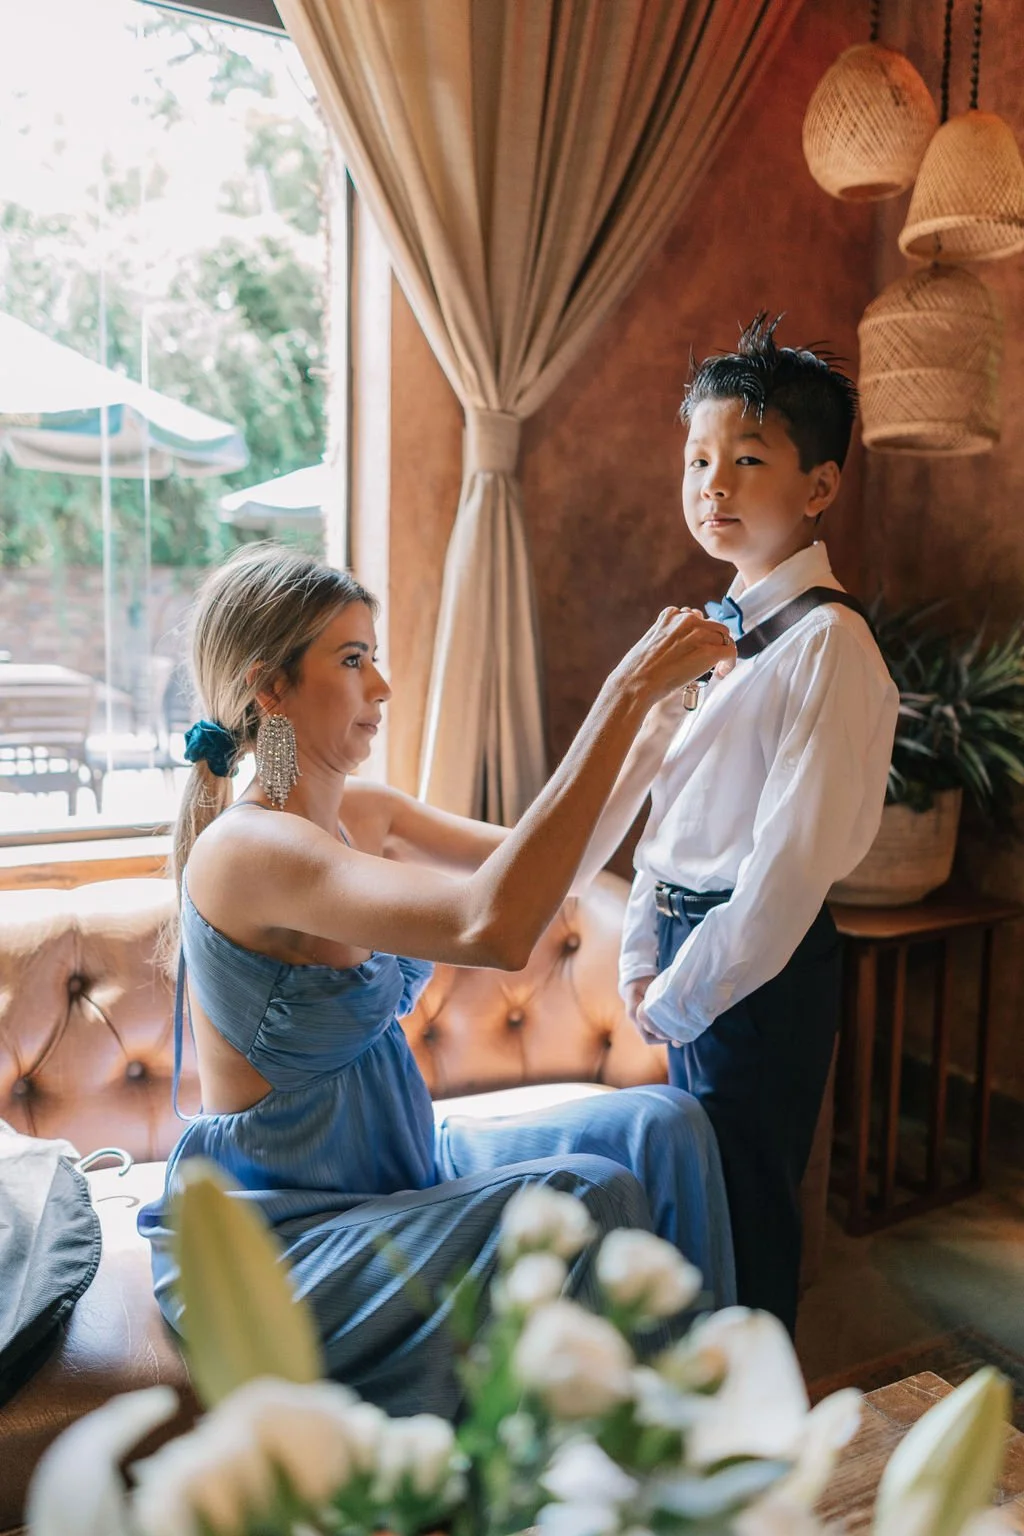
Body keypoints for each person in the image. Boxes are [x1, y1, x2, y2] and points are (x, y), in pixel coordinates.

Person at [138, 543, 737, 1419]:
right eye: (352, 661)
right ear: (271, 688)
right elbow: (488, 926)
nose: (381, 686)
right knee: (589, 1194)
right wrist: (624, 692)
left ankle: (706, 1425)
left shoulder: (364, 817)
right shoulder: (248, 850)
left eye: (375, 656)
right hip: (291, 1241)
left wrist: (656, 726)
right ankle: (628, 1480)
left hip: (405, 1170)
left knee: (664, 1124)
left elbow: (553, 876)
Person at [618, 313, 900, 1337]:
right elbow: (668, 809)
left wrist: (682, 992)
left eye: (746, 459)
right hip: (694, 954)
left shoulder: (829, 647)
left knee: (743, 1213)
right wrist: (641, 954)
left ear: (817, 488)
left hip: (759, 966)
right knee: (691, 1211)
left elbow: (784, 871)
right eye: (697, 459)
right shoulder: (712, 634)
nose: (713, 486)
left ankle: (758, 1439)